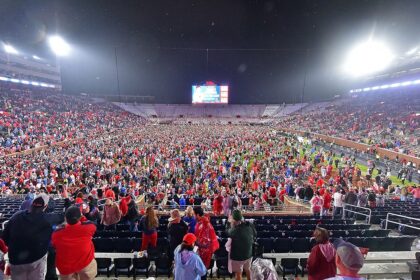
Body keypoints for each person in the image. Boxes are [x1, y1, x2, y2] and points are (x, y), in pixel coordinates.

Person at [3, 194, 64, 280]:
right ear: (45, 206)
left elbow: (4, 238)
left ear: (32, 204)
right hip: (36, 260)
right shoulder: (47, 218)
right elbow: (66, 215)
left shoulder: (16, 215)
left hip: (15, 261)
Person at [52, 206, 97, 280]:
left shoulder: (56, 233)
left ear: (65, 218)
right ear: (80, 217)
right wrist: (82, 216)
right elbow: (92, 224)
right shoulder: (88, 228)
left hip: (66, 266)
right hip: (85, 264)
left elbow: (54, 245)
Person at [226, 209, 256, 280]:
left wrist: (228, 223)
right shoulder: (250, 225)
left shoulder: (235, 230)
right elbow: (255, 234)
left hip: (238, 257)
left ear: (234, 220)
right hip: (249, 254)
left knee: (238, 273)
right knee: (248, 269)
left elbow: (228, 232)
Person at [194, 206, 218, 279]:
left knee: (202, 270)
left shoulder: (203, 224)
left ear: (198, 215)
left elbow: (205, 241)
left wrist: (196, 243)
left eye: (194, 214)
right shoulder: (203, 221)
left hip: (204, 252)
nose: (193, 216)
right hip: (203, 250)